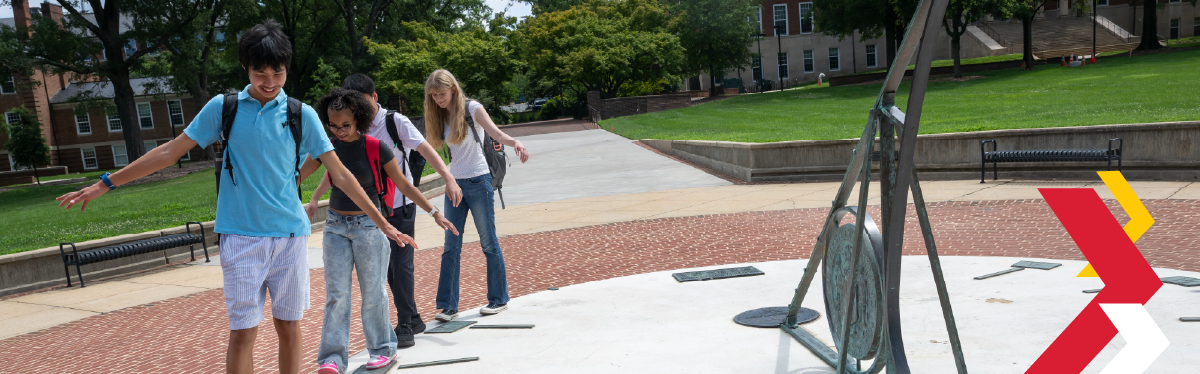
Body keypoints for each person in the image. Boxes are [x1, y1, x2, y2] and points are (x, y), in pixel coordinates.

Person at [54, 21, 413, 374]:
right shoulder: (223, 108)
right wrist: (106, 182)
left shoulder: (300, 114)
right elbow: (169, 151)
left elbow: (343, 175)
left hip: (290, 236)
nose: (269, 82)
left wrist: (383, 224)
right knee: (242, 333)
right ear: (247, 68)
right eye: (260, 73)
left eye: (278, 73)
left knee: (289, 326)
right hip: (241, 237)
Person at [302, 88, 458, 374]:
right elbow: (297, 175)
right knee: (337, 294)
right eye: (332, 126)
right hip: (336, 226)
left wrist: (434, 212)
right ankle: (332, 359)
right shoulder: (327, 147)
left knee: (373, 292)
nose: (339, 131)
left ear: (358, 120)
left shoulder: (375, 147)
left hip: (369, 227)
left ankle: (383, 350)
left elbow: (405, 185)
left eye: (345, 125)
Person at [339, 73, 460, 347]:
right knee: (388, 268)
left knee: (401, 264)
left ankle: (405, 321)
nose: (359, 108)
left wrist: (448, 176)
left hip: (400, 206)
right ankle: (413, 317)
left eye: (363, 102)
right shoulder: (354, 127)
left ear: (374, 97)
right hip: (372, 211)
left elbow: (425, 148)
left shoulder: (394, 122)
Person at [423, 69, 530, 322]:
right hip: (454, 186)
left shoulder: (472, 109)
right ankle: (449, 306)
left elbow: (496, 133)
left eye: (441, 94)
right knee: (451, 247)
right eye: (434, 95)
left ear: (453, 89)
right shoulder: (438, 115)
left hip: (479, 181)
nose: (438, 99)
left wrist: (516, 143)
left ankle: (498, 299)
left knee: (488, 242)